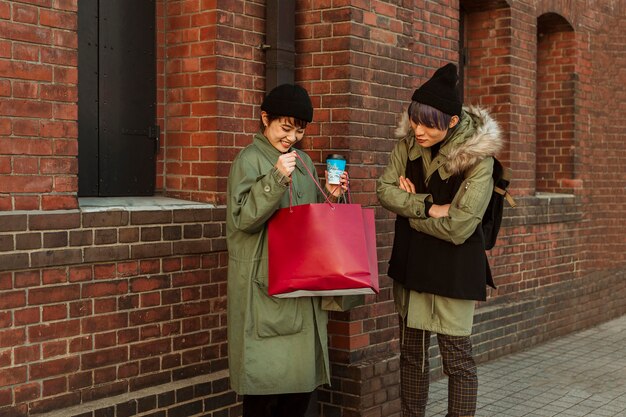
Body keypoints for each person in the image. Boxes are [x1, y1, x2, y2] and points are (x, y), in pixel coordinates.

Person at [377, 63, 502, 417]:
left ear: (450, 121)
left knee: (457, 361)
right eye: (414, 120)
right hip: (412, 267)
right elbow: (384, 190)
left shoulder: (479, 160)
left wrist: (410, 215)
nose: (417, 130)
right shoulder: (407, 146)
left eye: (427, 123)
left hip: (454, 272)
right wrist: (427, 206)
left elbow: (461, 227)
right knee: (411, 358)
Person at [226, 83, 348, 417]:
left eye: (299, 130)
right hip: (265, 292)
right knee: (264, 392)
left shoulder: (304, 161)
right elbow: (243, 220)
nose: (292, 137)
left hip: (300, 290)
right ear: (265, 118)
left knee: (298, 392)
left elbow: (313, 223)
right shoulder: (248, 161)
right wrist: (276, 178)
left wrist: (333, 196)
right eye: (285, 127)